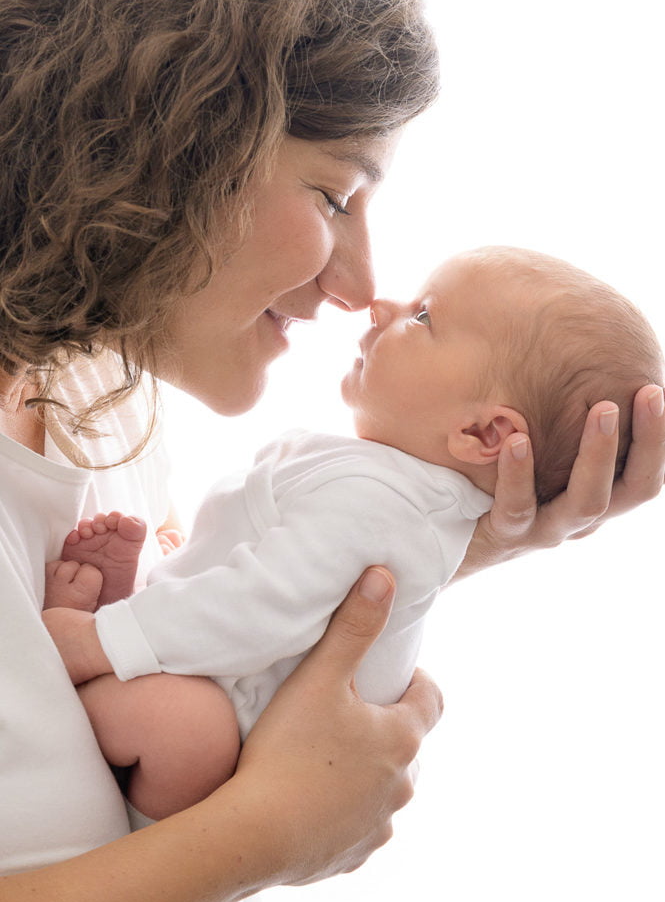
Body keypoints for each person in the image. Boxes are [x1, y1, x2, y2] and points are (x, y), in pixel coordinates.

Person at [0, 0, 663, 901]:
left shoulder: (99, 394)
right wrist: (270, 831)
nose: (359, 288)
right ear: (161, 149)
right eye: (334, 198)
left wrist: (455, 533)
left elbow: (249, 615)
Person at [43, 245, 665, 825]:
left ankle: (96, 658)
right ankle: (146, 600)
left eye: (423, 318)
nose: (383, 306)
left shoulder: (382, 506)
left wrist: (99, 642)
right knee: (192, 613)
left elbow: (260, 607)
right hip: (227, 672)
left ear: (483, 435)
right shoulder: (399, 494)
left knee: (180, 724)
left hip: (231, 739)